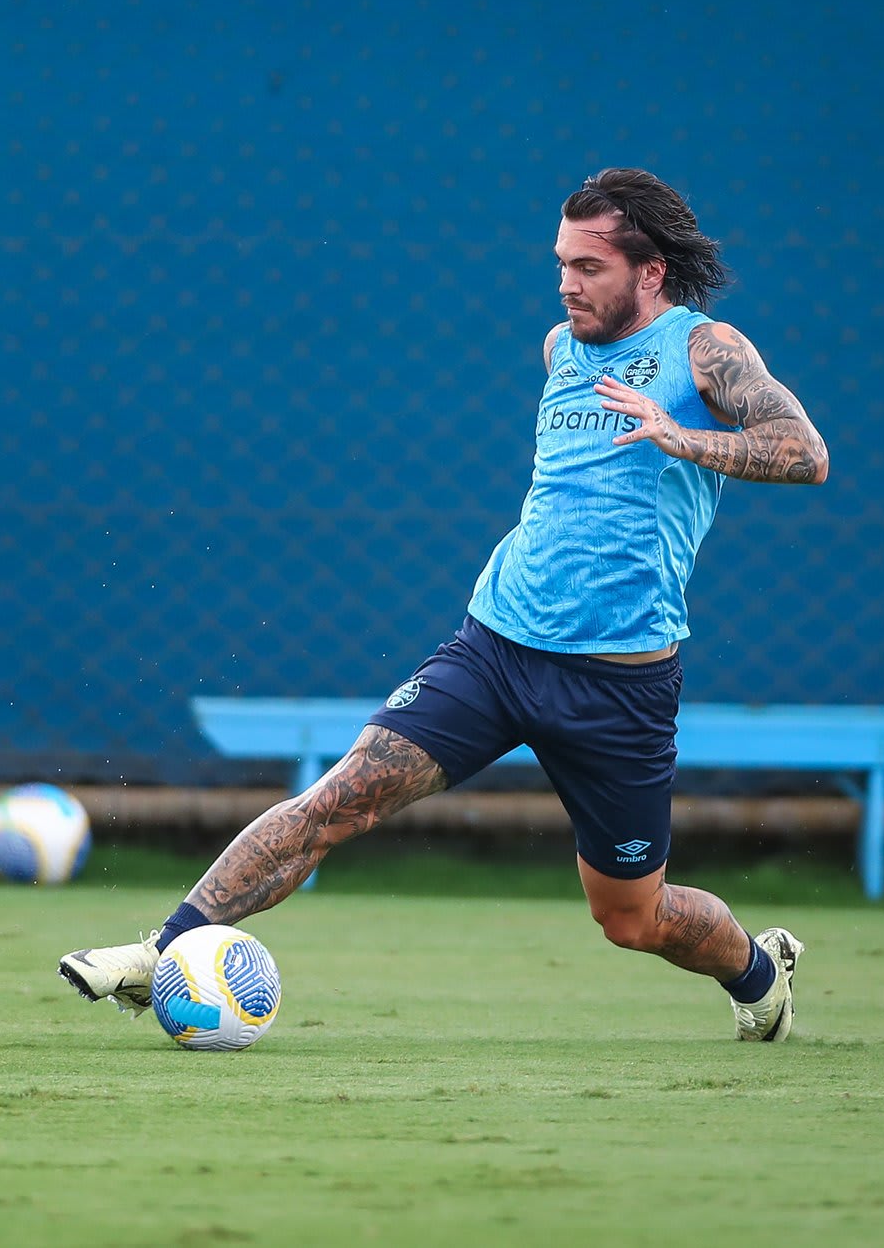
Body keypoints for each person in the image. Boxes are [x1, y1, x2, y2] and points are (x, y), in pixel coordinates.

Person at [61, 168, 829, 1041]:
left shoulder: (705, 351)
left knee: (632, 918)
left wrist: (678, 435)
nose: (567, 283)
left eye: (589, 266)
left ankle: (760, 977)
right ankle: (163, 948)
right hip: (496, 649)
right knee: (337, 800)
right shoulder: (560, 347)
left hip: (619, 688)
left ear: (649, 272)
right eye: (560, 263)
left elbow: (804, 452)